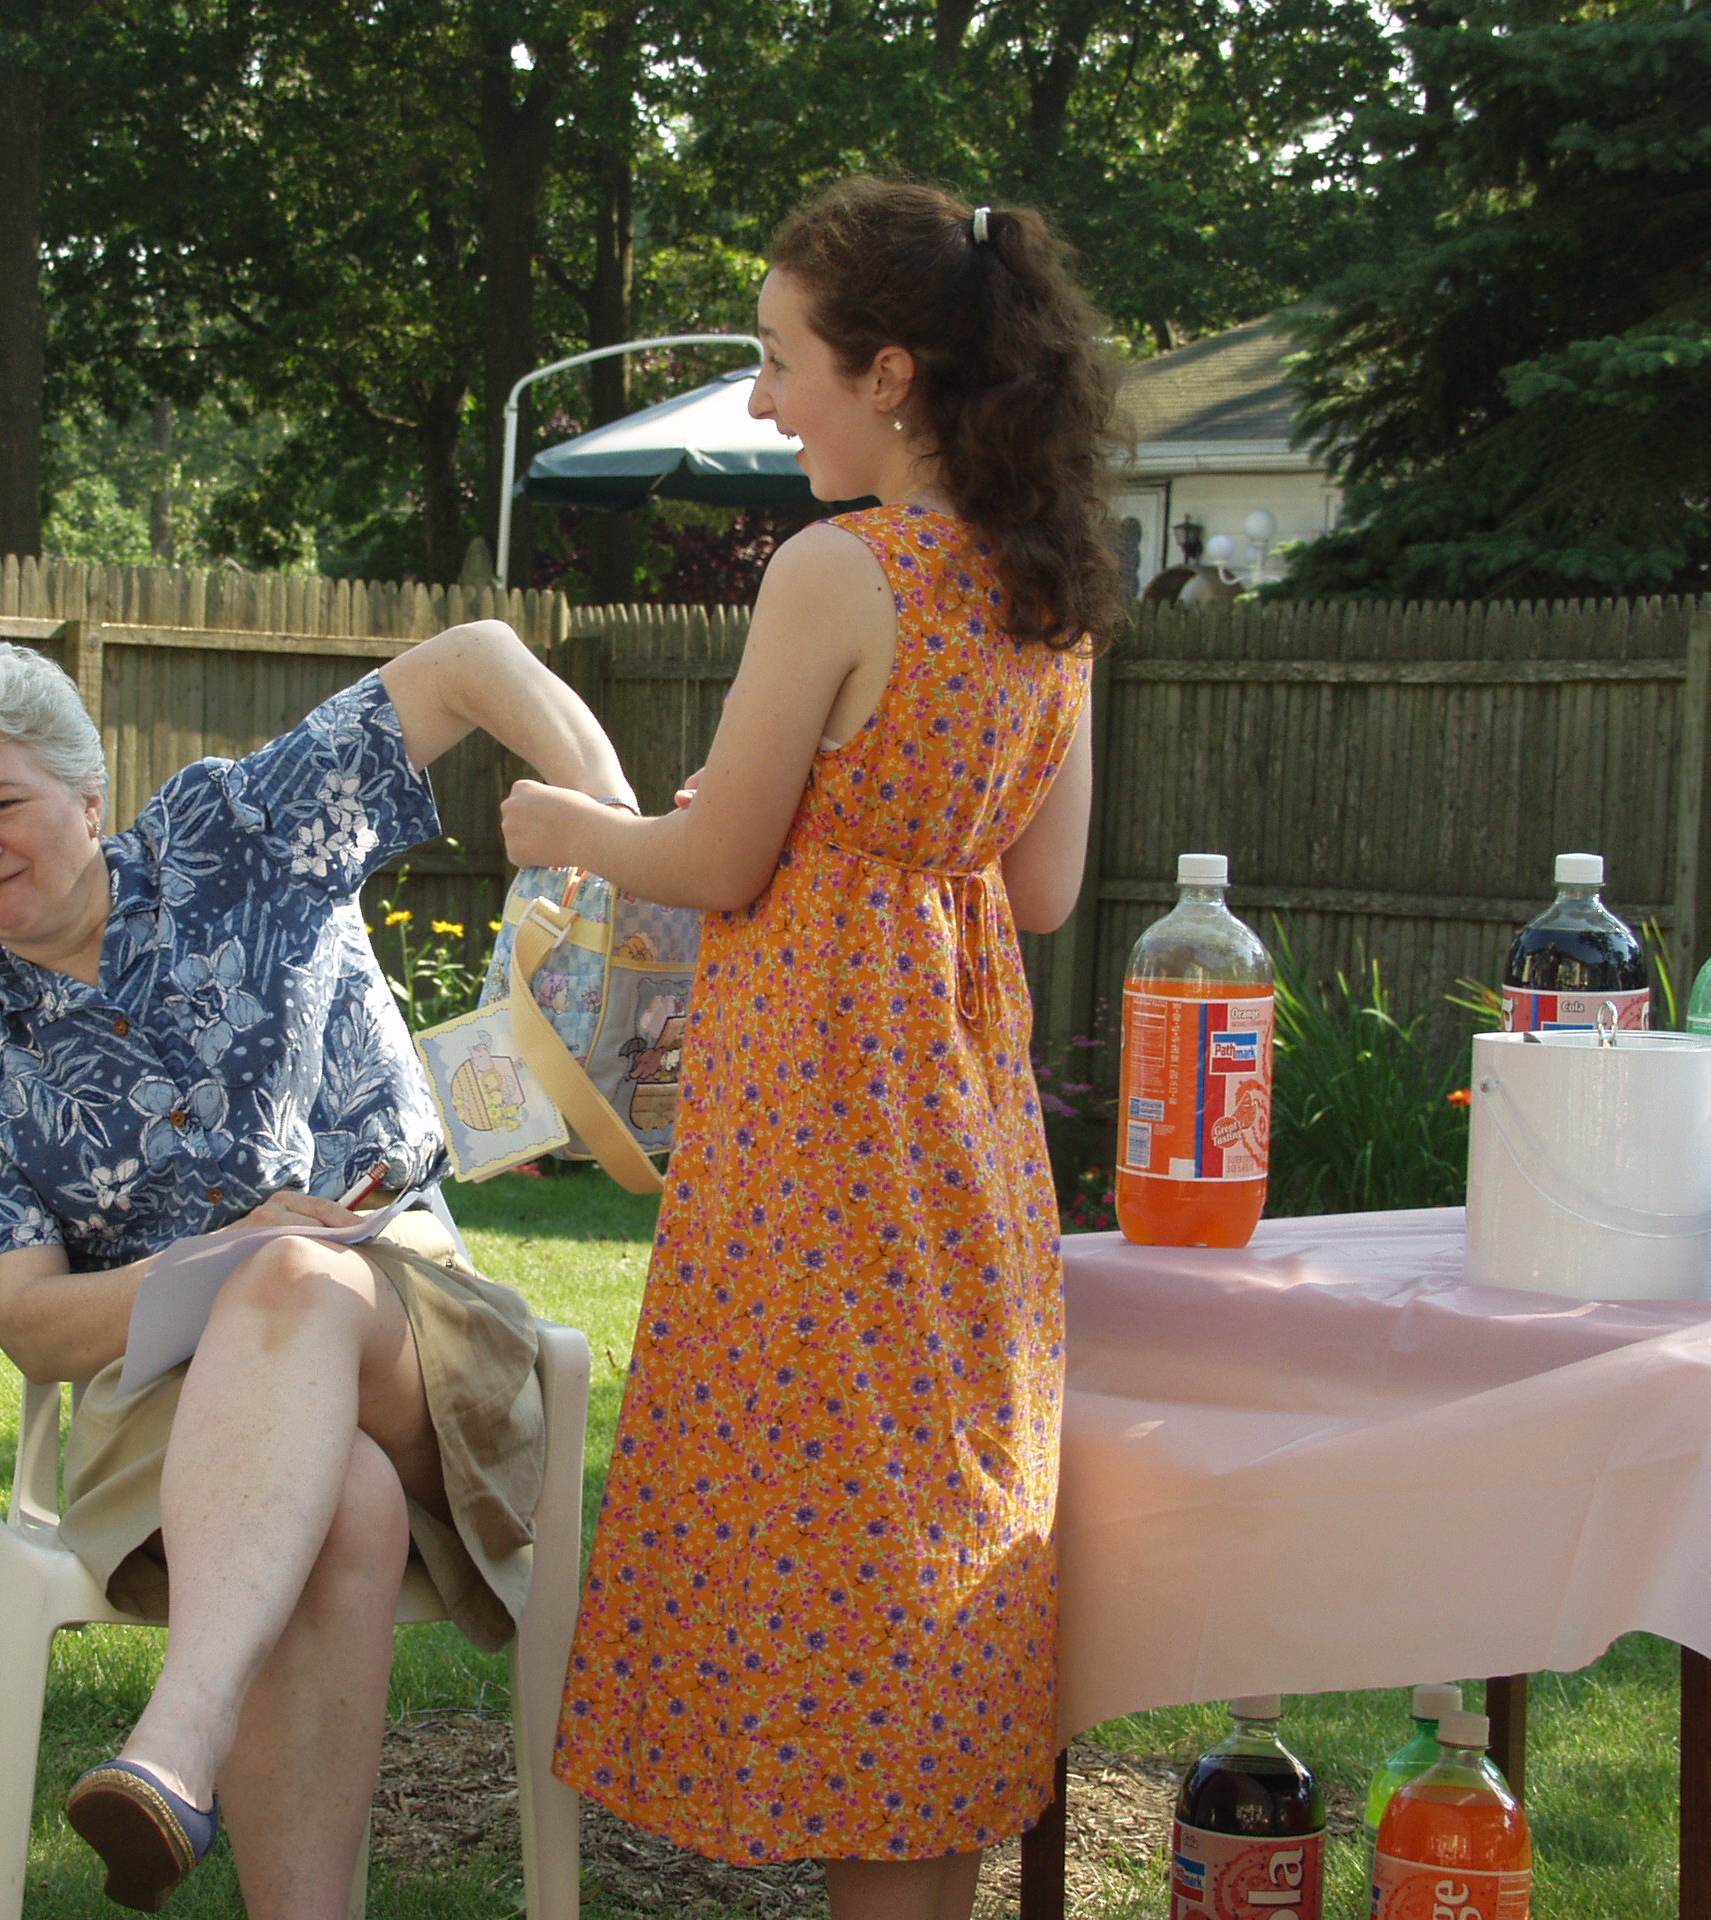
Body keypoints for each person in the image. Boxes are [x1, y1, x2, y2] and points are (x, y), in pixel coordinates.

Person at [502, 178, 1118, 1920]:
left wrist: (568, 826)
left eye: (783, 361)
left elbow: (718, 862)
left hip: (817, 1115)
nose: (767, 401)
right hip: (961, 1119)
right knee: (926, 1528)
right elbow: (1045, 889)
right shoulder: (1052, 586)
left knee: (824, 1510)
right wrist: (851, 829)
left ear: (892, 375)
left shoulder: (836, 570)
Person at [0, 626, 634, 1919]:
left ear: (88, 796)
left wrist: (615, 836)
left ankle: (180, 1735)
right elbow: (32, 1324)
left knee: (292, 1277)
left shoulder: (234, 834)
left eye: (2, 803)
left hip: (410, 1322)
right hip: (169, 1407)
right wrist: (214, 1255)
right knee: (339, 1500)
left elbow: (473, 662)